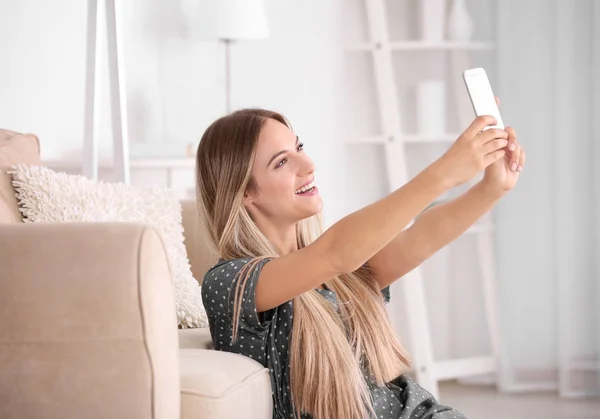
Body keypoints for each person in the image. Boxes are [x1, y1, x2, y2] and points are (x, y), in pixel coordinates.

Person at [197, 107, 525, 419]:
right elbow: (336, 252)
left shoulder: (339, 273)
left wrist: (491, 188)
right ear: (244, 193)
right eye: (282, 162)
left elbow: (418, 238)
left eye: (300, 148)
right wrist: (443, 173)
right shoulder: (229, 283)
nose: (308, 164)